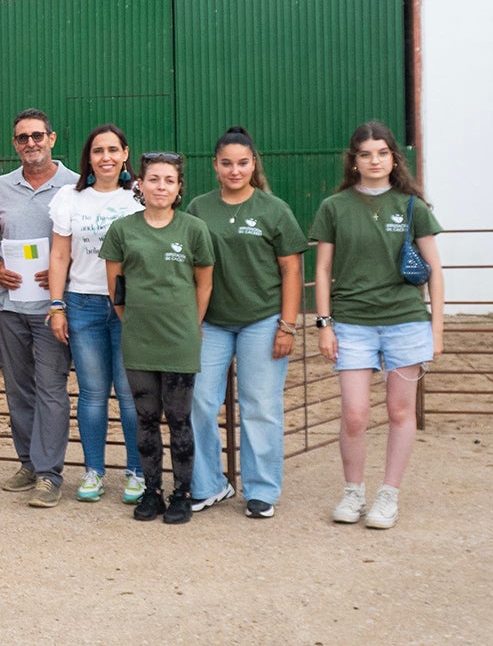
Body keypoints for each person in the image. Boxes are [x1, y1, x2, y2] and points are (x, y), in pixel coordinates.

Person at [311, 120, 444, 530]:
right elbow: (324, 267)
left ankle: (389, 495)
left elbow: (435, 271)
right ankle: (353, 492)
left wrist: (437, 330)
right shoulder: (334, 207)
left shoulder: (412, 206)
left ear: (393, 158)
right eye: (365, 154)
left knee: (400, 411)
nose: (374, 161)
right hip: (352, 322)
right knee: (354, 413)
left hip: (405, 320)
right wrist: (324, 324)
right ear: (353, 160)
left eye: (382, 153)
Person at [185, 127, 307, 519]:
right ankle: (209, 484)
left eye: (242, 163)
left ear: (253, 164)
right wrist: (192, 318)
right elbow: (190, 267)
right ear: (215, 166)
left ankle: (261, 490)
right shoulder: (200, 209)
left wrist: (287, 326)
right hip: (213, 323)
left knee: (259, 405)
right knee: (199, 401)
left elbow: (291, 269)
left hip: (262, 320)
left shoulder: (273, 209)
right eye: (226, 163)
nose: (234, 170)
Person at [100, 152, 214, 525]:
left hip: (180, 339)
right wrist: (131, 321)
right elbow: (116, 287)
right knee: (145, 417)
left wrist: (191, 323)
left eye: (169, 180)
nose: (160, 186)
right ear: (140, 184)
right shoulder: (123, 230)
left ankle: (182, 492)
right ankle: (152, 491)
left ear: (179, 187)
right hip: (139, 339)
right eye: (153, 179)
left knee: (179, 418)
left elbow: (204, 281)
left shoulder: (193, 230)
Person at [0, 109, 80, 508]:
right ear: (14, 143)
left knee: (52, 388)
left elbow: (89, 245)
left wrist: (62, 269)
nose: (30, 143)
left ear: (52, 138)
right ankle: (28, 462)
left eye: (37, 135)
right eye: (22, 137)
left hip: (52, 308)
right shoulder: (0, 187)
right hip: (9, 305)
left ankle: (49, 474)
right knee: (18, 388)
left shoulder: (75, 186)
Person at [47, 125, 146, 504]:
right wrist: (57, 305)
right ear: (88, 159)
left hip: (129, 307)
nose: (105, 157)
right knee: (91, 393)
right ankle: (93, 471)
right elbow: (59, 255)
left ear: (125, 154)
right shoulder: (70, 199)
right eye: (97, 151)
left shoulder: (138, 198)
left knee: (130, 393)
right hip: (83, 303)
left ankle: (136, 471)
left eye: (113, 150)